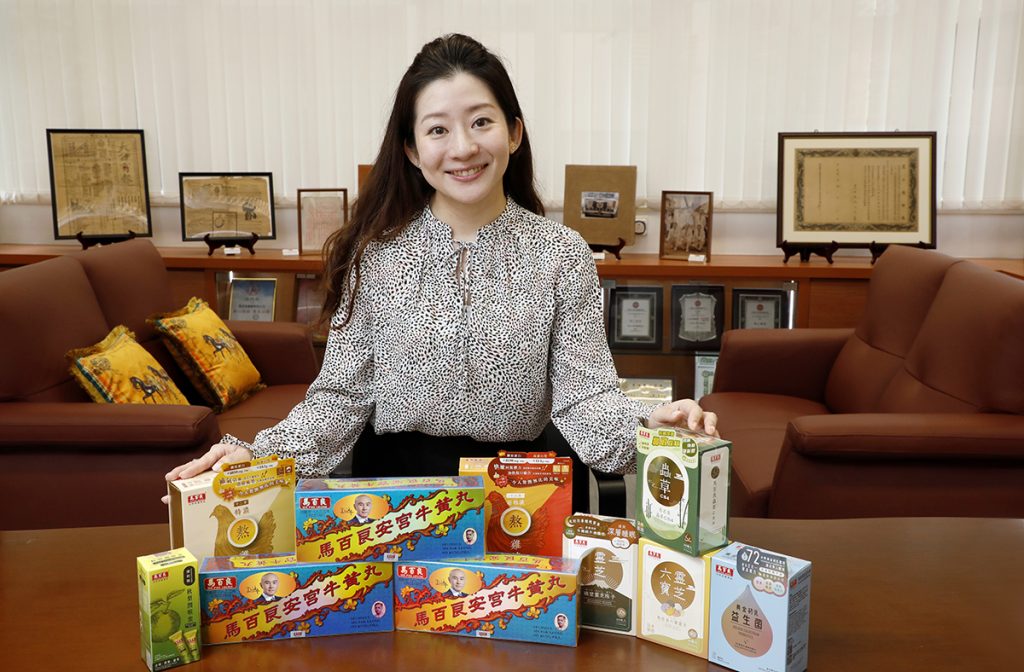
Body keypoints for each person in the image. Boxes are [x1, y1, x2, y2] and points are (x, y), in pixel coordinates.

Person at [164, 33, 717, 503]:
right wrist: (256, 455)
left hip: (522, 494)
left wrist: (651, 428)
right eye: (437, 130)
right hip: (397, 492)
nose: (463, 147)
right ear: (411, 149)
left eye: (481, 122)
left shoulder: (561, 252)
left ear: (514, 133)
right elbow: (341, 398)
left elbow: (584, 394)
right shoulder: (376, 254)